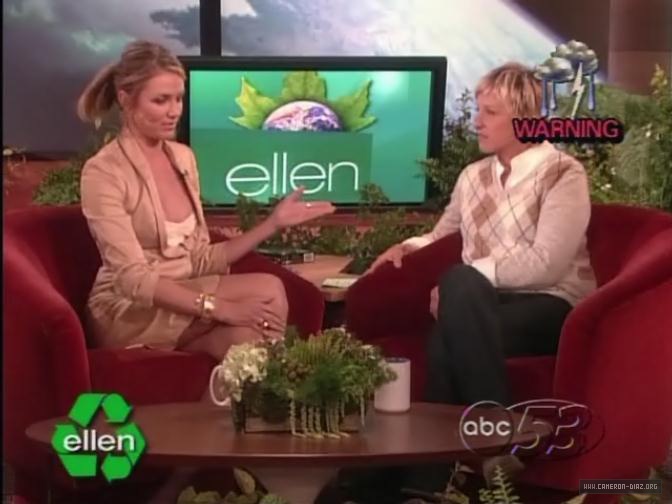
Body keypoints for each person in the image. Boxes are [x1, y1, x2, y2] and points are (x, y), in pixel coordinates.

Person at [367, 62, 597, 493]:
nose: (477, 121)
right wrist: (407, 248)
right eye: (478, 109)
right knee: (449, 327)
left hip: (551, 304)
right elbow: (442, 235)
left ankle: (430, 476)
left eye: (490, 112)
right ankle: (459, 470)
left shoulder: (563, 174)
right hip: (481, 305)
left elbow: (547, 263)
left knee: (458, 291)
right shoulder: (472, 176)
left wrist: (466, 280)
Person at [78, 40, 335, 364]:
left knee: (245, 340)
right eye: (160, 100)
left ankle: (250, 390)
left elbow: (200, 259)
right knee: (268, 289)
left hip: (184, 291)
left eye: (178, 98)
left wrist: (273, 223)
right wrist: (222, 308)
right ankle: (275, 381)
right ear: (125, 99)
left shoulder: (183, 157)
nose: (174, 111)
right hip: (130, 310)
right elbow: (132, 279)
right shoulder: (104, 171)